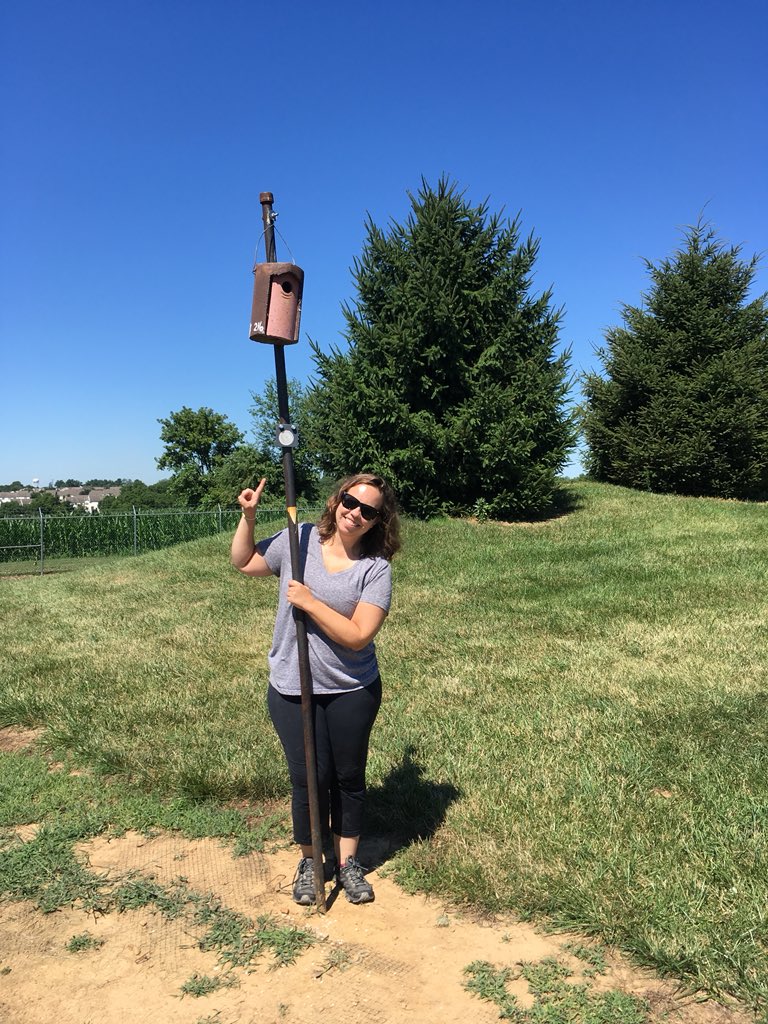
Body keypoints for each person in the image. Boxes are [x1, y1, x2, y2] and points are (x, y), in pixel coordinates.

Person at [231, 473, 401, 905]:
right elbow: (245, 562)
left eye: (368, 510)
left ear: (378, 520)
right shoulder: (298, 538)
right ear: (337, 499)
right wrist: (248, 518)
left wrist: (310, 602)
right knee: (308, 778)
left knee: (347, 777)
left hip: (350, 688)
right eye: (350, 501)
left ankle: (346, 864)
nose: (355, 513)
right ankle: (311, 860)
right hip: (292, 683)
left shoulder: (375, 569)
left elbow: (359, 634)